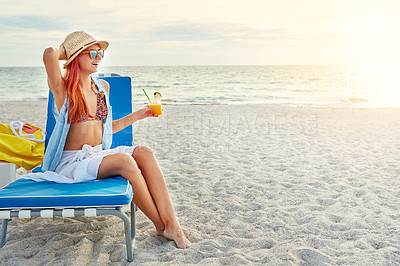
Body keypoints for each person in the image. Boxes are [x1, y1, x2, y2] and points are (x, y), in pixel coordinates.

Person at [40, 31, 190, 249]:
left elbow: (105, 130)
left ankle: (171, 223)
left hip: (97, 154)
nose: (99, 56)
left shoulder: (102, 88)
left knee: (144, 152)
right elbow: (49, 53)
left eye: (100, 52)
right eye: (92, 51)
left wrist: (140, 114)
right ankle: (162, 225)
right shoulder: (63, 89)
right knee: (125, 161)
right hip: (72, 163)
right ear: (76, 56)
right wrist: (68, 49)